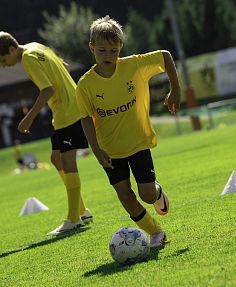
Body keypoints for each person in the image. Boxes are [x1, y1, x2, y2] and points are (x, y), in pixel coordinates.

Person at [76, 16, 181, 248]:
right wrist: (96, 150)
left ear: (120, 48)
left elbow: (165, 56)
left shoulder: (133, 66)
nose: (108, 56)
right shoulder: (85, 86)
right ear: (91, 47)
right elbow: (85, 119)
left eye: (113, 50)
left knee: (146, 195)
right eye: (102, 50)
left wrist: (175, 89)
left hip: (137, 142)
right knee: (124, 195)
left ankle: (157, 191)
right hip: (109, 150)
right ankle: (155, 232)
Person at [0, 31, 93, 235]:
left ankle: (73, 219)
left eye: (4, 60)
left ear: (12, 49)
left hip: (69, 112)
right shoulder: (36, 46)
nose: (4, 65)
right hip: (66, 111)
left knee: (68, 162)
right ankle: (82, 211)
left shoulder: (28, 59)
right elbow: (64, 65)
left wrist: (29, 117)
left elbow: (48, 90)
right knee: (56, 159)